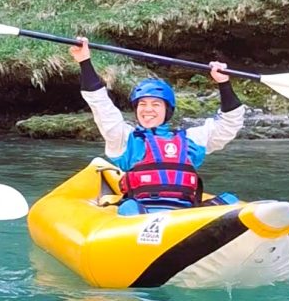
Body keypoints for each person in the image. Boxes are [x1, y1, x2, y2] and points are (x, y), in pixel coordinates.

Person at [69, 39, 245, 214]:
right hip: (141, 213)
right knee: (128, 208)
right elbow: (100, 105)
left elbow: (230, 123)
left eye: (156, 104)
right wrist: (84, 61)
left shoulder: (191, 139)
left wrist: (223, 83)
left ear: (167, 110)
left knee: (230, 200)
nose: (148, 110)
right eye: (142, 104)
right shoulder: (125, 138)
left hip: (185, 214)